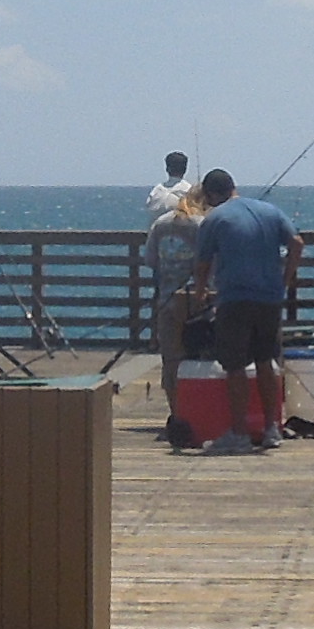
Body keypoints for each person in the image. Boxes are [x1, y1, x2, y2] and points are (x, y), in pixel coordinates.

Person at [191, 165, 302, 454]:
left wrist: (200, 292)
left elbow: (202, 264)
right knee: (266, 361)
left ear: (211, 195)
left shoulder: (214, 219)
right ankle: (271, 428)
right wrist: (285, 280)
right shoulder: (270, 211)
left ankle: (239, 432)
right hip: (269, 299)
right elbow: (296, 243)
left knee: (235, 365)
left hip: (235, 299)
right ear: (233, 187)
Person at [141, 150, 204, 439]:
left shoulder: (158, 213)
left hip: (166, 293)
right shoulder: (200, 224)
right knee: (199, 353)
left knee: (171, 357)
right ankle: (198, 411)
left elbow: (151, 261)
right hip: (196, 298)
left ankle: (176, 414)